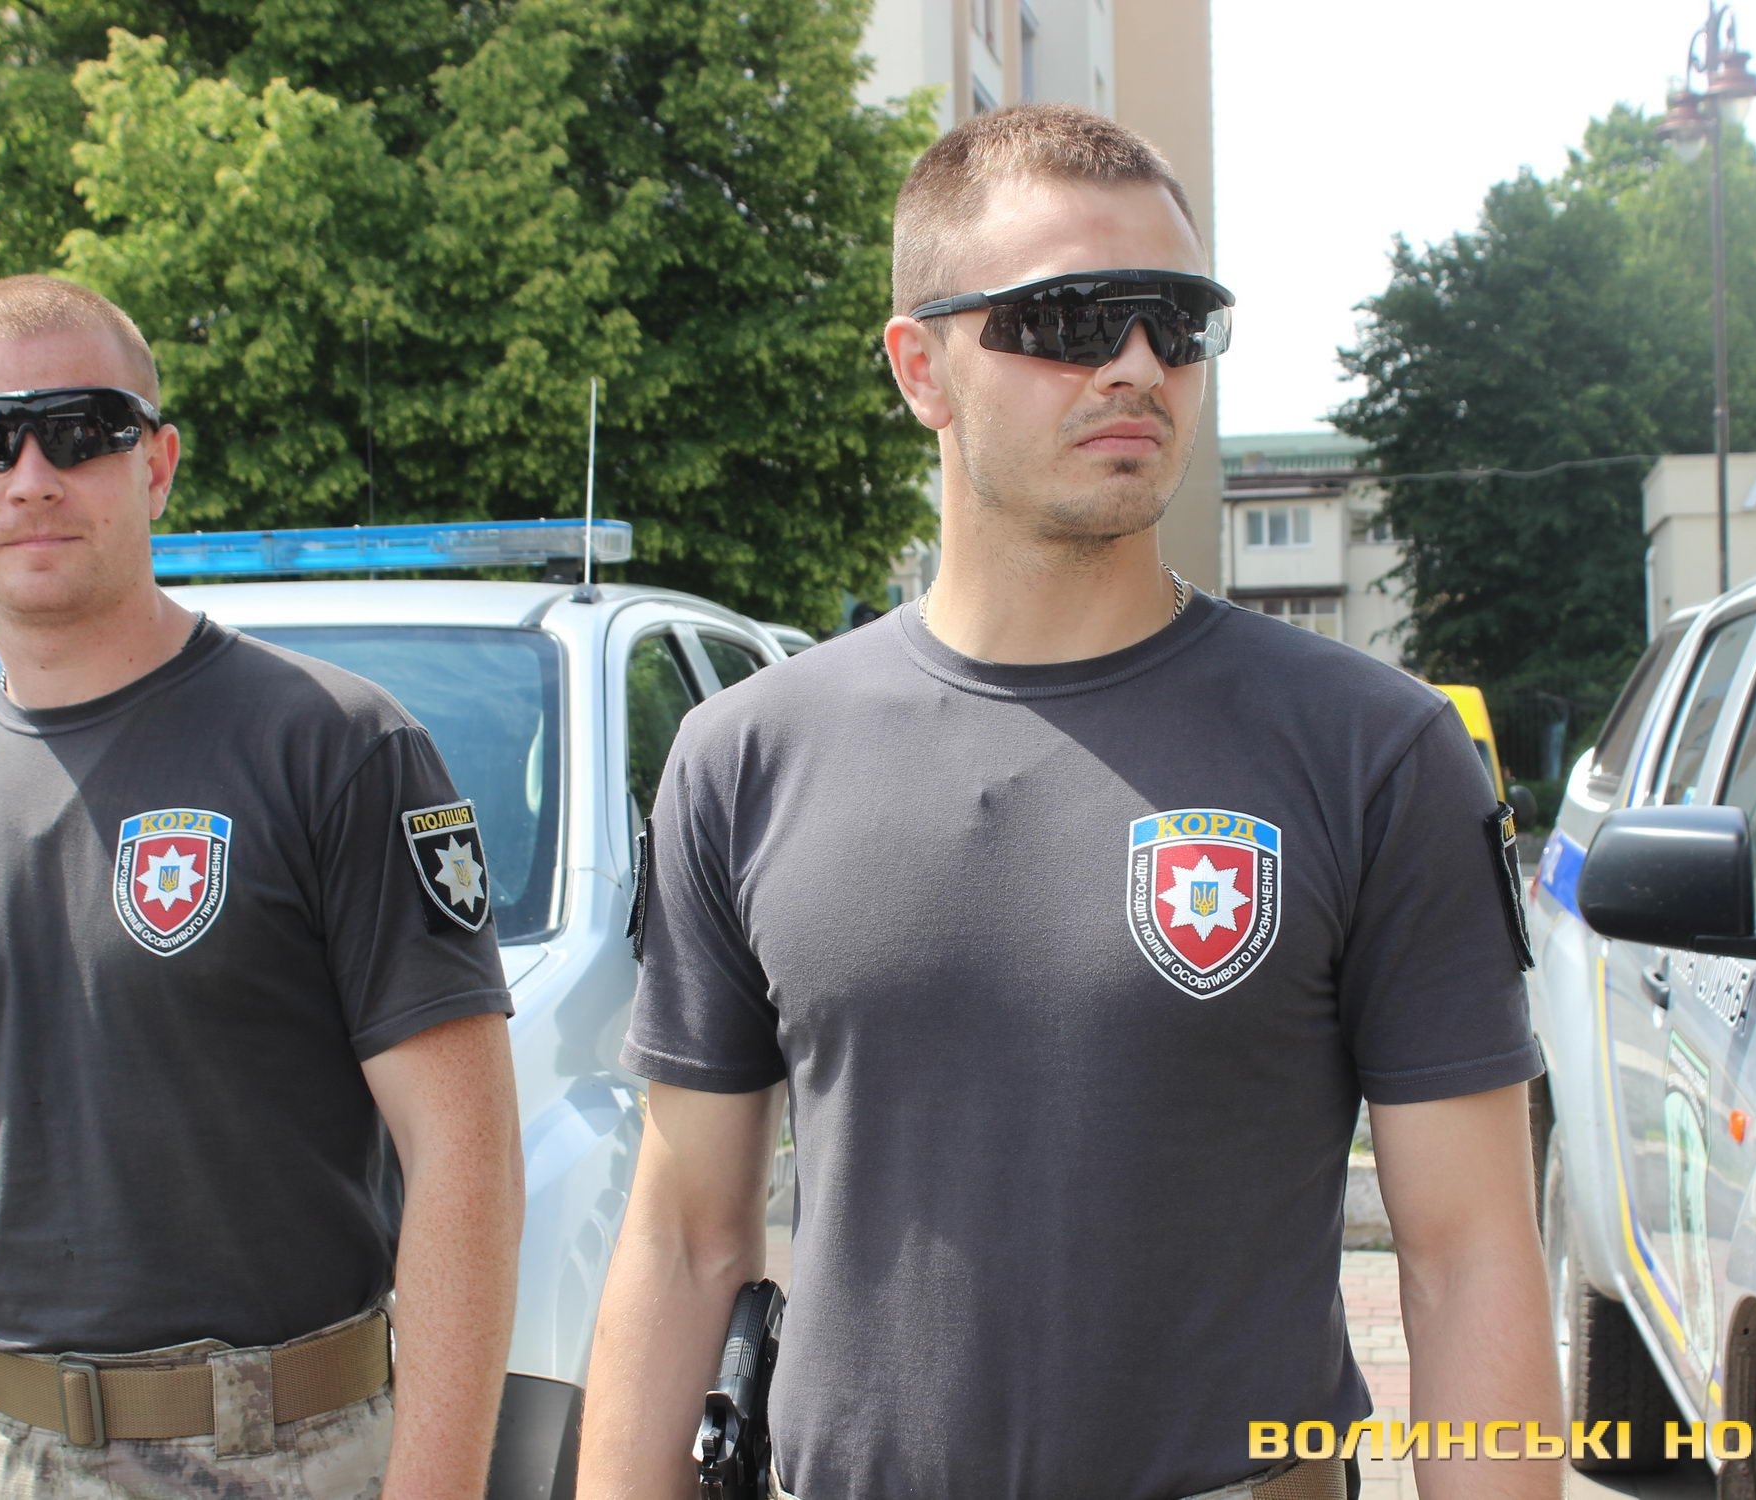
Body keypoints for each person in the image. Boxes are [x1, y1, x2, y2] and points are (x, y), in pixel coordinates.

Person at [580, 104, 1561, 1500]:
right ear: (920, 367)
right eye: (1065, 318)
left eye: (1178, 321)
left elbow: (1468, 1260)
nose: (1137, 364)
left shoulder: (1375, 753)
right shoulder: (744, 758)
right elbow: (683, 1238)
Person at [0, 275, 524, 1500]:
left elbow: (464, 1161)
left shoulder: (336, 749)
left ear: (155, 465)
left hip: (284, 1456)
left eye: (82, 430)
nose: (33, 475)